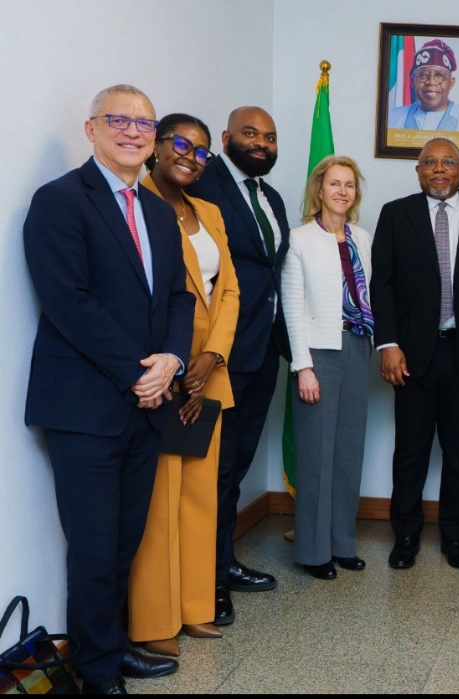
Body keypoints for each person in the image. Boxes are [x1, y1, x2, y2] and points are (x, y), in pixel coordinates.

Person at [23, 84, 194, 693]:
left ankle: (111, 648)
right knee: (95, 550)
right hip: (85, 406)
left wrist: (172, 359)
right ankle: (96, 675)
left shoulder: (157, 211)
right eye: (118, 119)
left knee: (124, 544)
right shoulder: (60, 200)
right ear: (91, 128)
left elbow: (178, 296)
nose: (132, 131)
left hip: (147, 404)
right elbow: (68, 301)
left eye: (144, 123)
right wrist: (139, 372)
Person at [128, 114, 240, 658]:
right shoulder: (139, 205)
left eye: (201, 151)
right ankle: (155, 618)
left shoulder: (209, 212)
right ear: (155, 146)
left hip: (208, 372)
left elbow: (230, 291)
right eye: (181, 144)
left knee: (200, 495)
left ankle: (195, 607)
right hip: (163, 372)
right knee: (158, 500)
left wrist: (212, 357)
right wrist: (177, 366)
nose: (191, 157)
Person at [186, 106, 291, 624]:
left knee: (236, 467)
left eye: (269, 137)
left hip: (263, 350)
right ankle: (204, 582)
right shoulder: (203, 183)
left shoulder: (271, 197)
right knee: (214, 469)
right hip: (219, 353)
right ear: (226, 137)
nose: (261, 143)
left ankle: (222, 563)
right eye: (250, 134)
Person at [371, 138, 459, 570]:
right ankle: (406, 535)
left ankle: (455, 538)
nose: (439, 169)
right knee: (411, 450)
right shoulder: (395, 213)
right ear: (418, 171)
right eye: (429, 162)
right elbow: (382, 285)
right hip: (411, 355)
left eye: (448, 162)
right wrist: (388, 344)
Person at [282, 155, 373, 580]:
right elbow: (292, 307)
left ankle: (342, 543)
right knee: (316, 456)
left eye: (349, 185)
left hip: (357, 348)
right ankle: (313, 551)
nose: (342, 191)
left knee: (348, 454)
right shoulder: (299, 239)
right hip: (317, 353)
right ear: (319, 191)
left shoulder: (363, 238)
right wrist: (303, 367)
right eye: (334, 184)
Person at [388, 39, 459, 133]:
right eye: (423, 76)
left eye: (440, 75)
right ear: (413, 82)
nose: (431, 82)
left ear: (451, 83)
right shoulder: (392, 118)